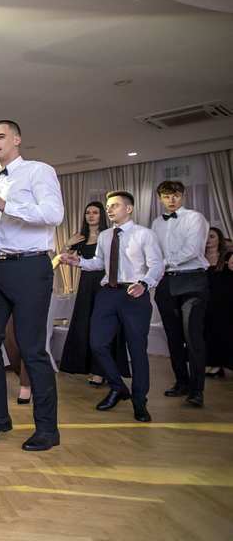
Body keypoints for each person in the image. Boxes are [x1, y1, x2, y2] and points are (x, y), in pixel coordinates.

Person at [0, 120, 62, 451]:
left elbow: (53, 214)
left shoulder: (39, 171)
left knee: (31, 348)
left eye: (0, 136)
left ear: (17, 139)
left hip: (30, 267)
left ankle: (47, 429)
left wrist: (5, 204)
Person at [60, 191, 164, 422]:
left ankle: (140, 401)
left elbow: (157, 265)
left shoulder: (144, 234)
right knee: (97, 343)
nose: (109, 209)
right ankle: (118, 386)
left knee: (137, 350)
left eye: (114, 205)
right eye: (108, 206)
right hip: (107, 293)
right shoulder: (106, 236)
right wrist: (78, 261)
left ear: (128, 209)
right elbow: (99, 263)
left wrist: (144, 284)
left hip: (134, 293)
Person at [151, 181, 210, 407]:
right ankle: (181, 382)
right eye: (166, 196)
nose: (171, 200)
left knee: (192, 336)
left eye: (175, 195)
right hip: (166, 283)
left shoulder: (195, 218)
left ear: (182, 195)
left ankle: (197, 390)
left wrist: (163, 263)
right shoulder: (157, 223)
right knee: (173, 337)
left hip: (192, 280)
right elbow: (154, 251)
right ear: (160, 199)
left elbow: (193, 250)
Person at [58, 201, 129, 384]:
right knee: (85, 324)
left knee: (103, 327)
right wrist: (67, 244)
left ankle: (100, 371)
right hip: (86, 284)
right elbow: (62, 258)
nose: (90, 215)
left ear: (101, 215)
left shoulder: (109, 235)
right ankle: (88, 367)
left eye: (95, 212)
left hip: (105, 284)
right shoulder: (80, 237)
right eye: (88, 212)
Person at [204, 228, 232, 378]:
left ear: (219, 239)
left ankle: (222, 364)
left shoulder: (227, 257)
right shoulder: (199, 258)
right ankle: (214, 365)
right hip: (207, 301)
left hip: (225, 302)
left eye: (212, 236)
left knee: (225, 332)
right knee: (209, 332)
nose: (209, 240)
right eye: (206, 237)